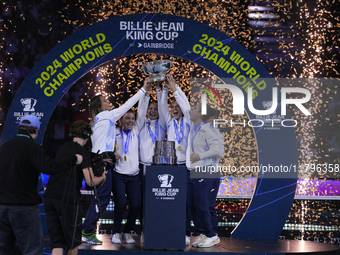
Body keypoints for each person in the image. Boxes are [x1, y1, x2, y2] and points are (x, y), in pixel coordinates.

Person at [0, 115, 83, 255]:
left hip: (1, 207)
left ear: (19, 128)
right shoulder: (32, 148)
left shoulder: (4, 147)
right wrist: (73, 159)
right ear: (36, 131)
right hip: (24, 208)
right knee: (32, 251)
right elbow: (49, 167)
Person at [82, 79, 151, 244]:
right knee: (103, 198)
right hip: (102, 162)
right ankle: (87, 230)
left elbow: (98, 142)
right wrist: (142, 90)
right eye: (105, 101)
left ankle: (87, 230)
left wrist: (110, 154)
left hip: (101, 159)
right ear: (100, 107)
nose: (108, 102)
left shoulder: (98, 120)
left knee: (102, 198)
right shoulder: (106, 116)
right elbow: (127, 105)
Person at [44, 120, 106, 255]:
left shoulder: (63, 147)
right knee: (73, 241)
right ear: (87, 135)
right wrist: (102, 178)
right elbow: (90, 181)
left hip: (50, 197)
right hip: (68, 201)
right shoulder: (82, 153)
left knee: (57, 242)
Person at [110, 92, 149, 244]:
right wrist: (112, 154)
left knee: (135, 205)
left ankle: (127, 232)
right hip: (118, 174)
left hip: (134, 175)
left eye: (132, 118)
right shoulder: (114, 132)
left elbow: (142, 109)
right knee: (120, 204)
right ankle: (115, 232)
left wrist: (146, 93)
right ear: (121, 119)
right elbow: (106, 148)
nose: (131, 121)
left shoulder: (137, 131)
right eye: (127, 118)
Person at [158, 74, 191, 245]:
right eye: (173, 106)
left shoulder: (189, 120)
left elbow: (187, 107)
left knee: (185, 202)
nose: (175, 108)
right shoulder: (168, 122)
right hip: (171, 167)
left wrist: (175, 89)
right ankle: (171, 230)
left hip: (186, 167)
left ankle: (185, 232)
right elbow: (162, 107)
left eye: (177, 106)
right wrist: (163, 90)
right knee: (171, 201)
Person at [186, 103, 222, 248]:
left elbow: (219, 152)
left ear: (200, 114)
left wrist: (199, 156)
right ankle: (203, 233)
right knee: (193, 205)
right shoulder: (194, 129)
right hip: (195, 171)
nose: (191, 111)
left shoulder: (208, 130)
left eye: (194, 109)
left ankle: (211, 235)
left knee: (202, 205)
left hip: (207, 170)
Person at [138, 79, 166, 243]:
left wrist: (158, 88)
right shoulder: (141, 123)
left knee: (157, 201)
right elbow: (140, 110)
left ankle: (158, 230)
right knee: (143, 201)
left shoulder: (162, 123)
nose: (154, 111)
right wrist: (146, 93)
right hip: (142, 167)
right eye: (151, 108)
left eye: (156, 109)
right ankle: (143, 231)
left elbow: (163, 106)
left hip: (157, 168)